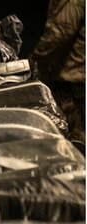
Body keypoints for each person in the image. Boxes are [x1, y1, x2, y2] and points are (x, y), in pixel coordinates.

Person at [32, 0, 85, 149]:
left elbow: (60, 33)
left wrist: (34, 63)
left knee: (73, 139)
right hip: (77, 75)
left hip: (72, 77)